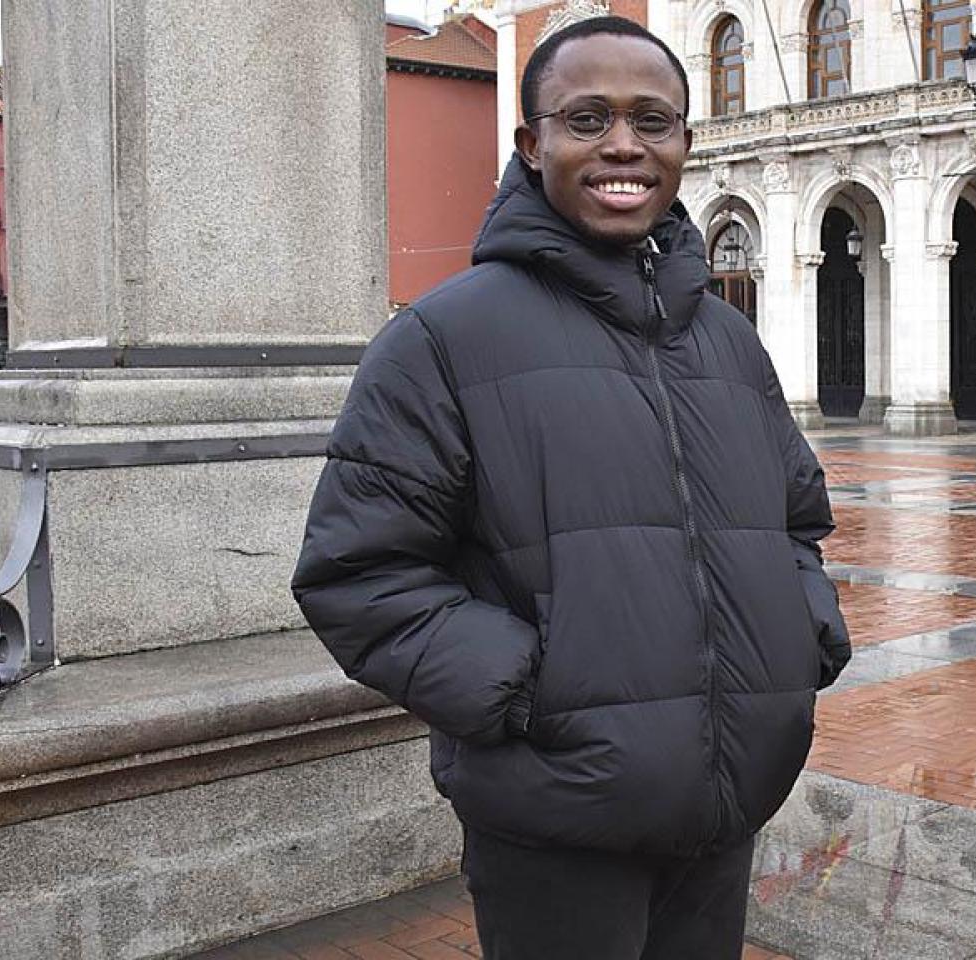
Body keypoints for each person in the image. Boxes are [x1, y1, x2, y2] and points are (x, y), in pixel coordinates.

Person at [290, 16, 850, 959]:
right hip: (555, 820)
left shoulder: (730, 343)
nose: (624, 145)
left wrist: (801, 637)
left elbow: (797, 522)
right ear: (531, 144)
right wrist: (532, 692)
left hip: (727, 807)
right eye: (587, 119)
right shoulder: (441, 341)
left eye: (653, 120)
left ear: (684, 143)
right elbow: (356, 576)